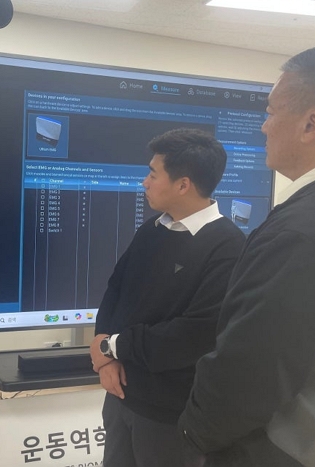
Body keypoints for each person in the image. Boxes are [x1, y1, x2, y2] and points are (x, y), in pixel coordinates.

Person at [179, 45, 315, 467]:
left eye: (271, 112)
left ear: (311, 124)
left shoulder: (311, 231)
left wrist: (192, 433)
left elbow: (248, 375)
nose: (264, 126)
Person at [89, 128, 246, 467]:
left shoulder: (228, 247)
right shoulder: (152, 230)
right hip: (120, 397)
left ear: (183, 185)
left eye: (153, 174)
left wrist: (111, 346)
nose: (145, 182)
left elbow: (194, 335)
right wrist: (106, 354)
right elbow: (116, 289)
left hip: (168, 415)